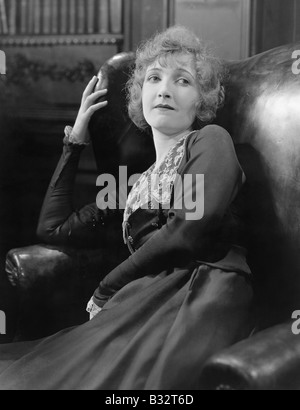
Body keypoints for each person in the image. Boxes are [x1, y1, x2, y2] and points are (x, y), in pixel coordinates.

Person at [0, 26, 253, 390]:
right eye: (154, 78)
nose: (165, 89)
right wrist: (76, 139)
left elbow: (190, 229)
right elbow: (53, 229)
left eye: (183, 81)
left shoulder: (210, 141)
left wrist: (107, 286)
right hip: (143, 303)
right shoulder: (132, 187)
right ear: (140, 95)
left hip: (203, 292)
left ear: (202, 100)